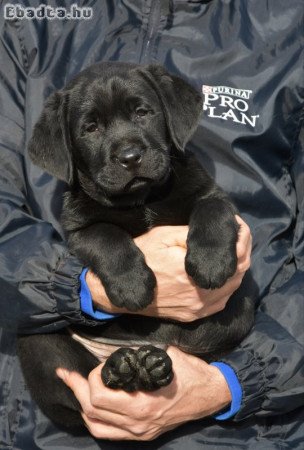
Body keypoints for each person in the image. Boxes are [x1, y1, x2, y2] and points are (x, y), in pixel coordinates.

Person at [0, 0, 303, 449]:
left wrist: (231, 382)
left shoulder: (288, 24)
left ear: (170, 117)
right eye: (93, 127)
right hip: (70, 413)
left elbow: (213, 204)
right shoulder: (25, 19)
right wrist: (84, 289)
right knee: (38, 342)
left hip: (236, 420)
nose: (126, 147)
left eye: (141, 113)